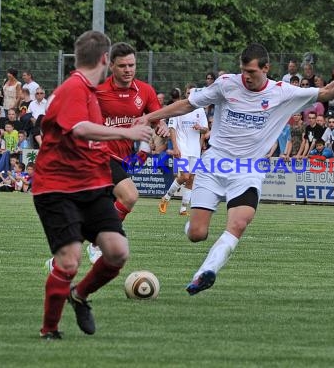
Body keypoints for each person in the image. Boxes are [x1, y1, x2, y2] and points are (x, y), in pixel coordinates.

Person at [136, 42, 334, 295]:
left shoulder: (282, 93)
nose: (246, 76)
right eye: (243, 70)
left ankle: (205, 272)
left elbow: (326, 93)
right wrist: (150, 117)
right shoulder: (226, 84)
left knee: (239, 223)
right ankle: (192, 228)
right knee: (197, 234)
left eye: (252, 72)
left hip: (247, 170)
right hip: (214, 164)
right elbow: (188, 104)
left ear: (266, 68)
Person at [32, 30, 153, 340]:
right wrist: (127, 134)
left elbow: (88, 137)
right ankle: (50, 330)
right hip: (58, 188)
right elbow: (80, 128)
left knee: (117, 251)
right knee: (69, 260)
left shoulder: (87, 90)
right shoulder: (75, 87)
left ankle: (79, 295)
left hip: (90, 185)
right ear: (104, 60)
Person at [85, 42, 164, 263]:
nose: (128, 70)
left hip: (124, 158)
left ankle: (58, 260)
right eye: (122, 66)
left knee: (101, 212)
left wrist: (163, 127)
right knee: (130, 195)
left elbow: (158, 118)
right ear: (111, 66)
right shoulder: (98, 90)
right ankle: (98, 243)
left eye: (131, 65)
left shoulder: (145, 91)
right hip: (98, 154)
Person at [159, 83, 208, 215]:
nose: (190, 96)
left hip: (195, 149)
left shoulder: (200, 110)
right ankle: (166, 197)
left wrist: (200, 128)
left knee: (191, 178)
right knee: (185, 176)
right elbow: (172, 128)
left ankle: (183, 208)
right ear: (185, 95)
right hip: (182, 148)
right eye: (188, 93)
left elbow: (206, 129)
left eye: (193, 93)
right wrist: (175, 147)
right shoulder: (179, 108)